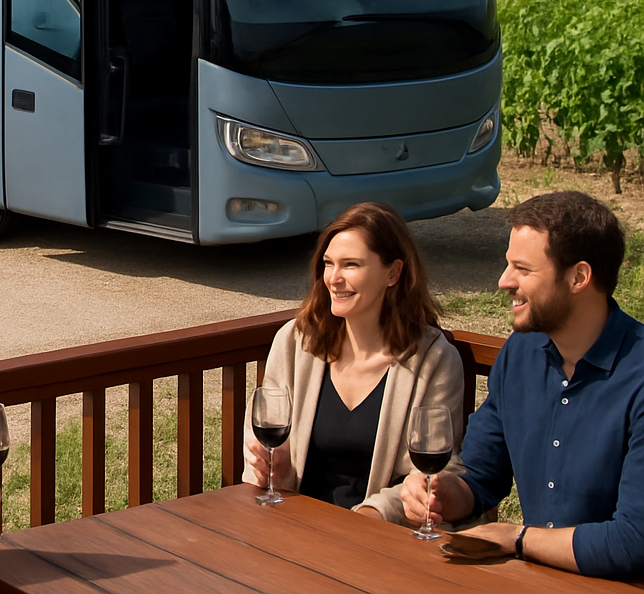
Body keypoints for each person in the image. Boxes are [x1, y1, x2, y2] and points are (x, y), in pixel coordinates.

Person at [401, 191, 644, 577]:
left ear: (578, 277)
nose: (504, 281)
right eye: (506, 265)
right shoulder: (522, 353)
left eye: (523, 269)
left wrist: (519, 538)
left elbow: (633, 542)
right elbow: (482, 475)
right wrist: (447, 494)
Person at [243, 202, 465, 523]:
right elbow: (262, 446)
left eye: (351, 265)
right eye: (328, 263)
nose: (333, 278)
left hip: (378, 537)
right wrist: (275, 469)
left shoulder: (433, 359)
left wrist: (375, 513)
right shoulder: (296, 341)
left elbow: (433, 474)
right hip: (293, 525)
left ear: (393, 272)